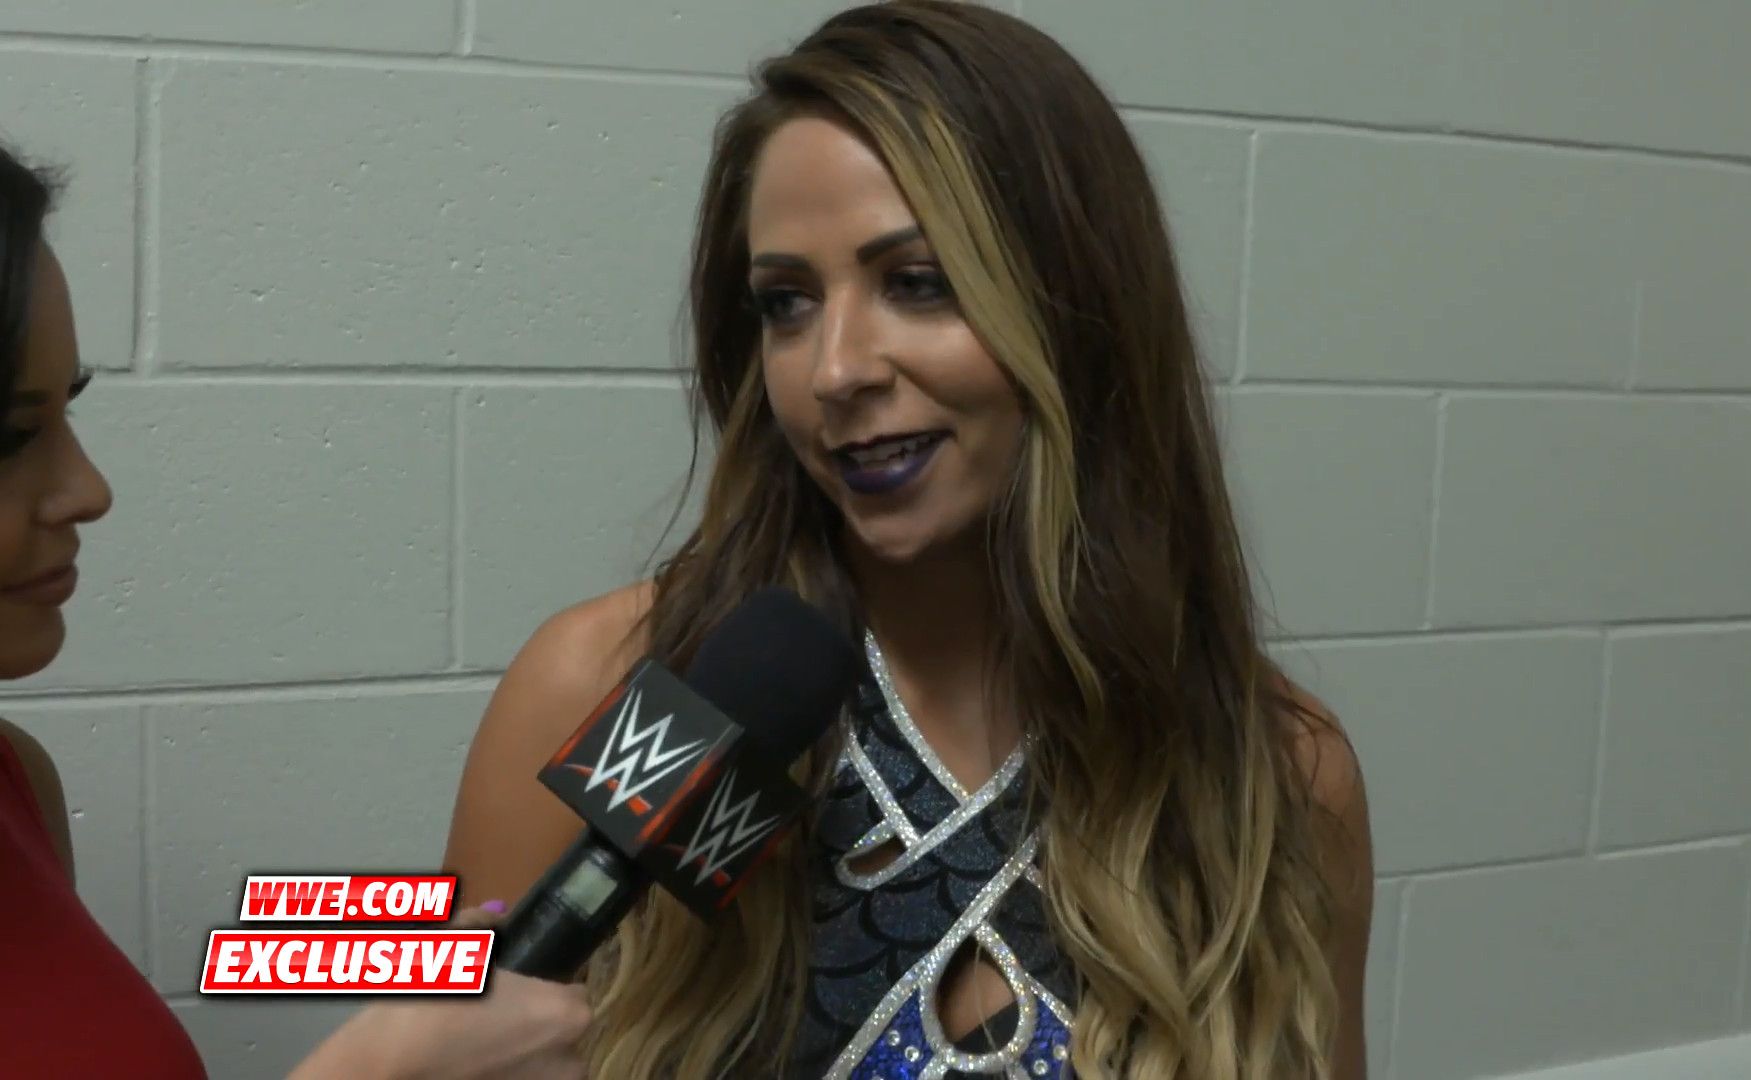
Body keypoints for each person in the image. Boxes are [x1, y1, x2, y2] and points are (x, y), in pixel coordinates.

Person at [442, 1, 1375, 1077]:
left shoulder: (1277, 777)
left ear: (1078, 312)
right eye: (786, 304)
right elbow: (425, 1034)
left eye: (917, 283)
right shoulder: (612, 687)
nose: (835, 369)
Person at [0, 145, 592, 1077]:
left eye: (69, 412)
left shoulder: (18, 786)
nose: (89, 489)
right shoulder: (584, 664)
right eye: (12, 436)